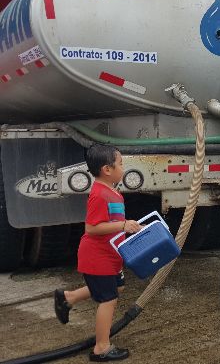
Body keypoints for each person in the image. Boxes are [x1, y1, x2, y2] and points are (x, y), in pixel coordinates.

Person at [54, 145, 142, 361]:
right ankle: (101, 347)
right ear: (107, 169)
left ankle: (68, 297)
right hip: (97, 256)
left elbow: (113, 222)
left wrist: (127, 227)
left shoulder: (113, 192)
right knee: (108, 299)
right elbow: (92, 228)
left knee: (117, 287)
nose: (123, 168)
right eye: (120, 164)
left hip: (111, 255)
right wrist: (122, 226)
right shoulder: (99, 195)